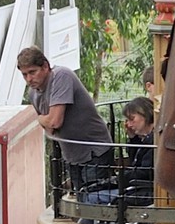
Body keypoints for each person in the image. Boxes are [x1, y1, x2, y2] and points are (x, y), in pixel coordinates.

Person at [18, 46, 112, 191]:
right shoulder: (33, 93)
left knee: (94, 201)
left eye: (32, 72)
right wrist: (46, 120)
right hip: (71, 155)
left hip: (94, 152)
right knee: (81, 200)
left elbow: (54, 121)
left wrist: (40, 119)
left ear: (45, 66)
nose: (29, 79)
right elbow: (51, 128)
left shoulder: (61, 76)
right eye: (25, 75)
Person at [121, 97, 156, 205]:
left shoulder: (154, 140)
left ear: (145, 115)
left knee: (93, 198)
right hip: (137, 189)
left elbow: (144, 172)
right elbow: (135, 162)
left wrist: (119, 178)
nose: (129, 125)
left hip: (143, 191)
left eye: (132, 119)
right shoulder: (146, 139)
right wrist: (133, 138)